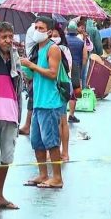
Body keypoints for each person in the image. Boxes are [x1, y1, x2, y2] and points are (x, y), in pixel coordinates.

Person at [20, 16, 64, 189]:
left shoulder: (53, 49)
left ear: (50, 31)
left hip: (50, 102)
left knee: (51, 141)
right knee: (37, 141)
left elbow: (53, 73)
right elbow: (33, 75)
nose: (37, 31)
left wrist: (32, 65)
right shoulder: (37, 50)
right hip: (38, 101)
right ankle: (43, 174)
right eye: (36, 27)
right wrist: (26, 69)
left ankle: (57, 177)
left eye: (41, 28)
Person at [0, 22, 21, 210]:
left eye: (10, 36)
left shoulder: (14, 56)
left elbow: (19, 84)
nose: (8, 40)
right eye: (4, 37)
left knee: (6, 156)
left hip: (10, 111)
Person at [52, 23, 72, 161]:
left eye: (56, 36)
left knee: (62, 120)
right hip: (55, 87)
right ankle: (56, 152)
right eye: (51, 35)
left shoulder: (63, 49)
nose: (53, 38)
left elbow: (68, 68)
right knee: (55, 122)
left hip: (61, 87)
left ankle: (64, 152)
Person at [66, 21, 88, 123]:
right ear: (76, 30)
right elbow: (85, 58)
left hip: (64, 67)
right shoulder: (80, 42)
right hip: (76, 68)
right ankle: (71, 115)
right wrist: (81, 69)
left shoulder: (63, 40)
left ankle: (60, 114)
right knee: (74, 92)